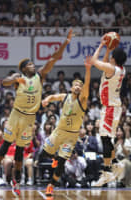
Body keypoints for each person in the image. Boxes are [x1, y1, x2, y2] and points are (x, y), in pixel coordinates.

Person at [0, 29, 73, 197]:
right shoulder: (18, 77)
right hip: (16, 115)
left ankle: (17, 181)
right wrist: (14, 79)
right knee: (6, 144)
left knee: (20, 149)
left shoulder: (40, 76)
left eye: (32, 64)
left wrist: (65, 42)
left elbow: (53, 59)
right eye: (29, 64)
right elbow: (5, 82)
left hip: (29, 118)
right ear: (23, 68)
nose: (32, 65)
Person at [37, 57, 91, 198]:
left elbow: (87, 85)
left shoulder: (82, 101)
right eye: (76, 85)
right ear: (72, 87)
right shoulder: (65, 96)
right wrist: (47, 99)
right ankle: (54, 156)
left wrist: (88, 69)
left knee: (61, 164)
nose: (78, 87)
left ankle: (51, 186)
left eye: (80, 85)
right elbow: (54, 96)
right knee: (43, 155)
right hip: (58, 132)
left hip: (71, 136)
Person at [89, 38, 127, 187]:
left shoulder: (112, 69)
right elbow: (104, 62)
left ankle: (107, 171)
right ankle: (116, 164)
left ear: (113, 59)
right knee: (107, 138)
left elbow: (94, 61)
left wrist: (101, 45)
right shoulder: (118, 69)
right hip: (113, 107)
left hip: (111, 108)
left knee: (105, 138)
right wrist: (108, 49)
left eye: (111, 56)